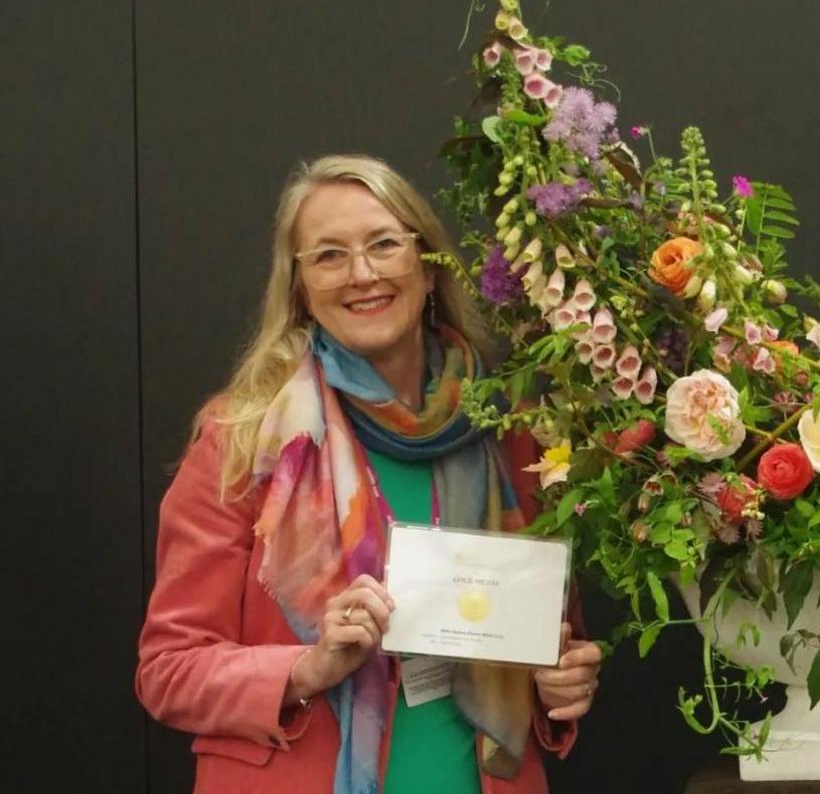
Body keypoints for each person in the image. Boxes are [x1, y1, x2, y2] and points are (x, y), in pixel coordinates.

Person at [136, 154, 601, 794]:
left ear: (427, 263)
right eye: (328, 255)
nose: (362, 274)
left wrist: (559, 680)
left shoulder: (512, 434)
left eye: (384, 244)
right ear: (299, 286)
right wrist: (307, 665)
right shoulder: (244, 441)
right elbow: (168, 670)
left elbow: (549, 641)